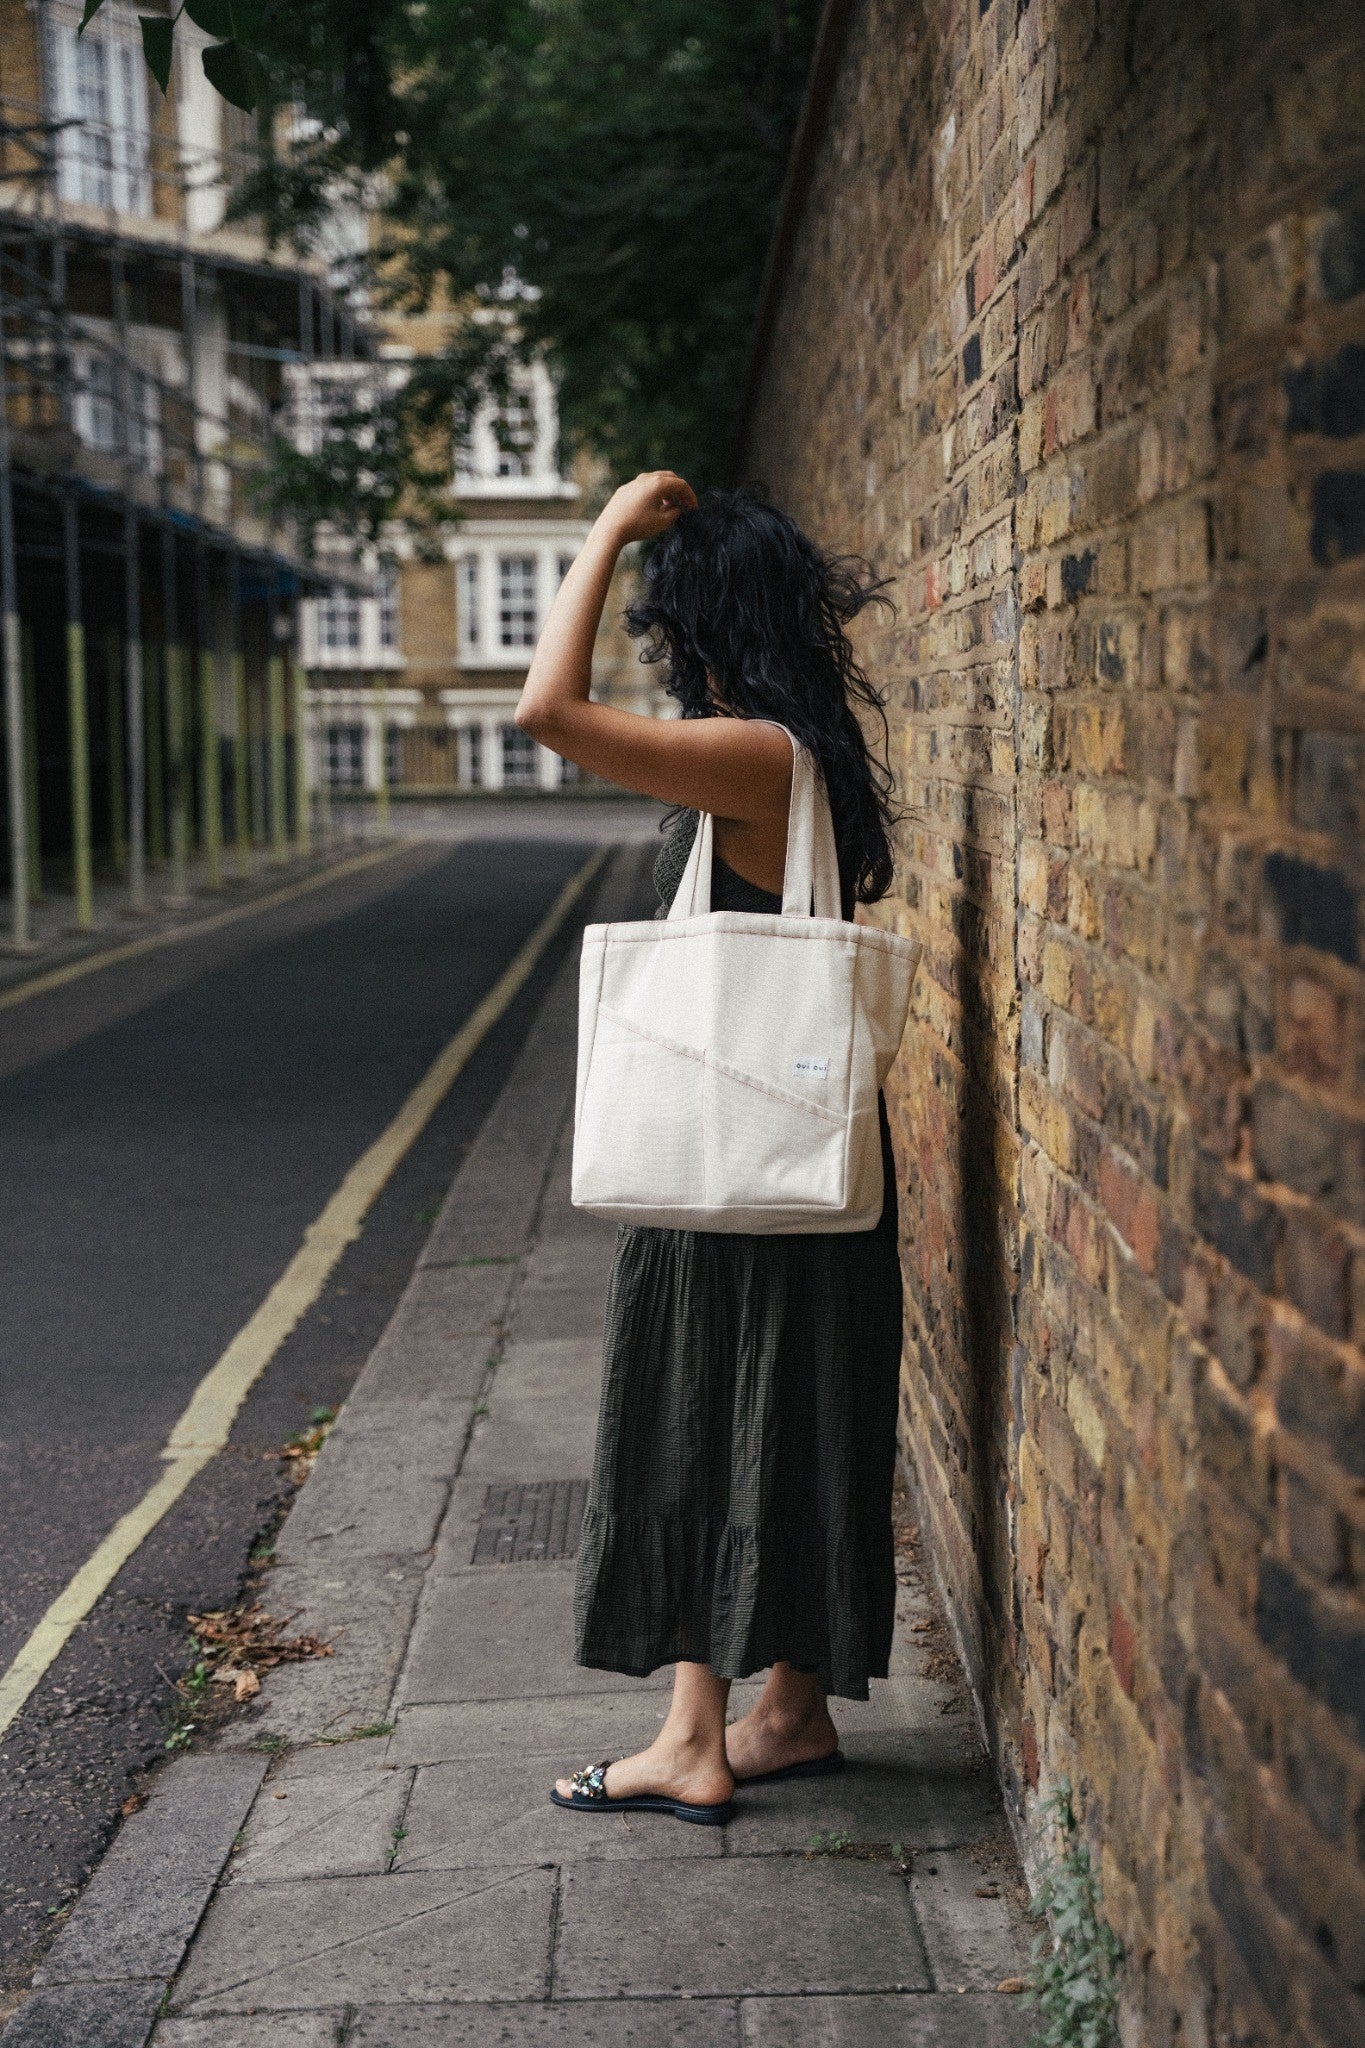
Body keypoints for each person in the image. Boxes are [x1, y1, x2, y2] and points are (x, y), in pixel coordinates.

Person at [515, 472, 905, 1826]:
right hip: (804, 1143)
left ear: (702, 623)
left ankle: (690, 1738)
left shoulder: (749, 755)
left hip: (725, 1157)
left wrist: (608, 529)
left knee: (688, 1413)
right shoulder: (812, 749)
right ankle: (785, 1713)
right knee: (800, 1410)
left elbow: (544, 713)